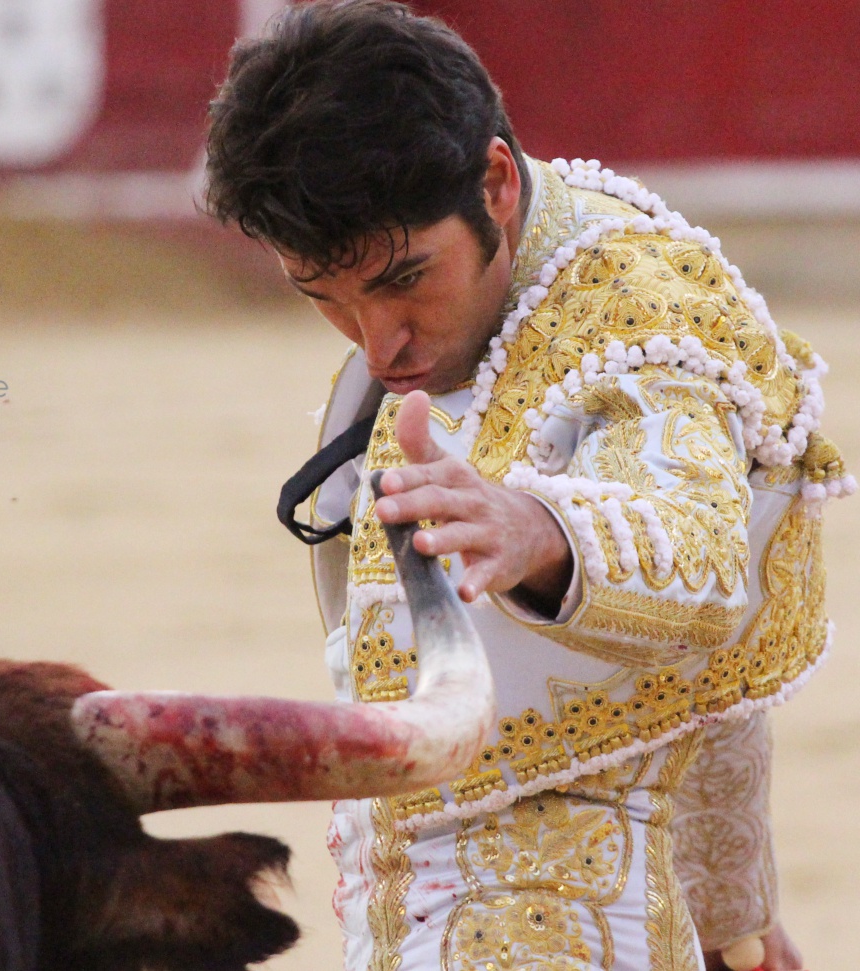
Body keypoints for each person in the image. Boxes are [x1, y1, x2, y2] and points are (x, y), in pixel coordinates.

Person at [203, 2, 853, 969]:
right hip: (434, 895)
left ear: (496, 183)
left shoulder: (639, 313)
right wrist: (736, 918)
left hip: (556, 920)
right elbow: (700, 695)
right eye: (326, 298)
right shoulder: (473, 299)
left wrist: (546, 529)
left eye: (405, 280)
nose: (381, 346)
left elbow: (705, 554)